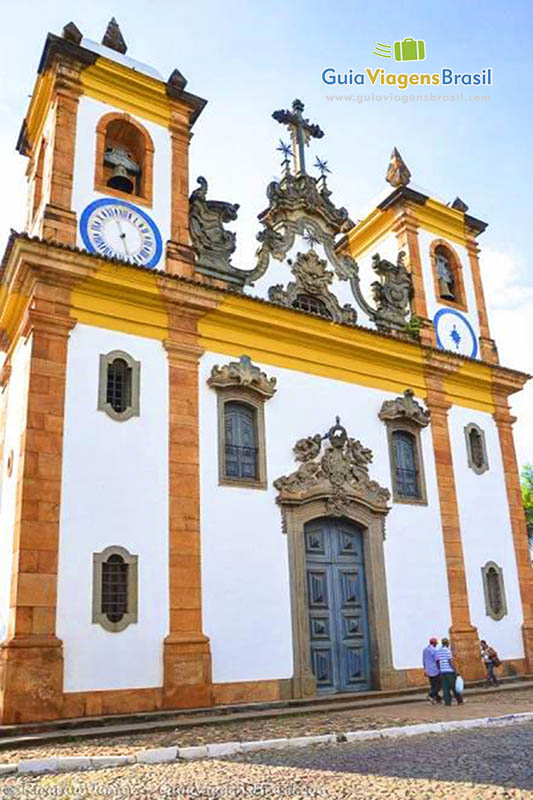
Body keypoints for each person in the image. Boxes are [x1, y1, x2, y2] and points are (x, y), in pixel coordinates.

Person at [436, 637, 464, 706]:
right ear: (447, 643)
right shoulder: (447, 651)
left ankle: (447, 702)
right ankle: (459, 700)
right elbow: (450, 661)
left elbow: (438, 661)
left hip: (443, 671)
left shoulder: (439, 651)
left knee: (445, 688)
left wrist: (440, 670)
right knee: (454, 687)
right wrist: (456, 670)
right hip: (449, 671)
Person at [422, 637, 442, 704]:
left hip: (428, 670)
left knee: (433, 685)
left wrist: (425, 669)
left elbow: (424, 660)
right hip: (435, 670)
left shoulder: (425, 650)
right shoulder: (434, 650)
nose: (436, 644)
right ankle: (430, 695)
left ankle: (437, 698)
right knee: (438, 685)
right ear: (434, 643)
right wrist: (440, 669)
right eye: (436, 643)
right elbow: (437, 660)